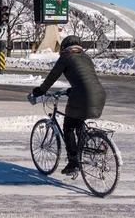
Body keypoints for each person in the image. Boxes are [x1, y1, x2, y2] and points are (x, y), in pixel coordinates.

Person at [31, 35, 106, 175]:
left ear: (65, 47)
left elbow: (52, 77)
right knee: (78, 122)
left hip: (82, 96)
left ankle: (73, 162)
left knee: (68, 127)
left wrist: (40, 91)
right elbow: (85, 78)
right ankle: (82, 150)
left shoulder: (66, 57)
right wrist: (72, 89)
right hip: (100, 94)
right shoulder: (86, 57)